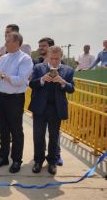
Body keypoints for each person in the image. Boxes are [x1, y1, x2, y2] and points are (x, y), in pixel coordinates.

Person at [0, 31, 33, 173]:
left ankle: (16, 160)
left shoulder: (25, 59)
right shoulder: (3, 58)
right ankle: (3, 157)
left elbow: (20, 80)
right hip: (1, 97)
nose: (5, 43)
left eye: (8, 40)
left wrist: (1, 75)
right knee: (4, 130)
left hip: (15, 99)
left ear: (16, 42)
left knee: (16, 131)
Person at [29, 46, 75, 175]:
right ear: (47, 57)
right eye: (52, 58)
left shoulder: (68, 70)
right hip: (40, 107)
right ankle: (38, 161)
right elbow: (32, 84)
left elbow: (72, 89)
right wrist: (42, 79)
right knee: (38, 136)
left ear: (61, 57)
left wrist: (62, 82)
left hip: (56, 109)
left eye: (57, 58)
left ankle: (52, 162)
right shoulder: (38, 68)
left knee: (54, 137)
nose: (54, 61)